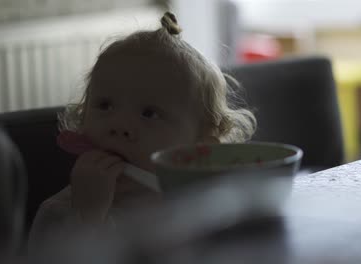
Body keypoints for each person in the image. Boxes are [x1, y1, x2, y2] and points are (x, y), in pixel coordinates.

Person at [28, 11, 256, 251]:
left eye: (149, 113)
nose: (119, 126)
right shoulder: (60, 213)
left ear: (201, 147)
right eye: (104, 105)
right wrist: (87, 219)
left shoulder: (204, 208)